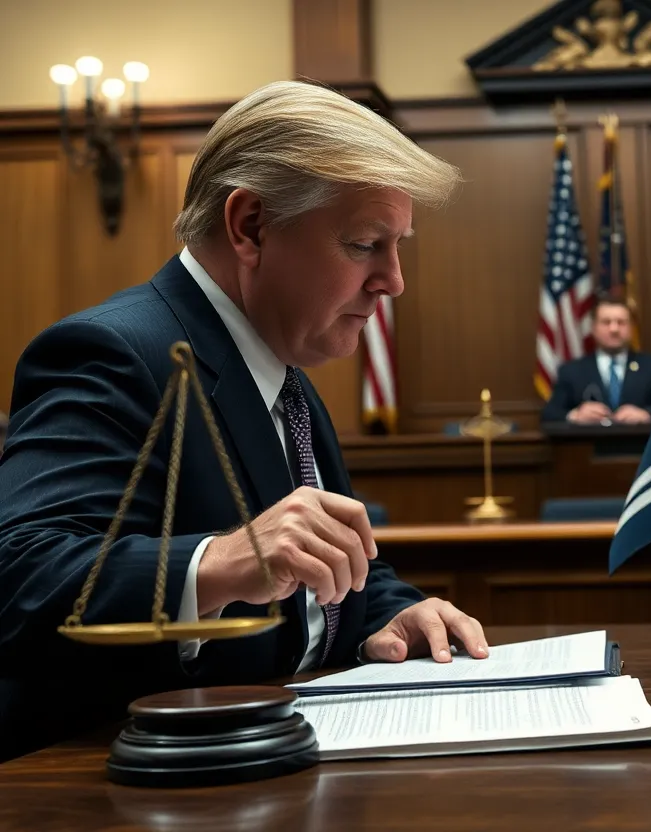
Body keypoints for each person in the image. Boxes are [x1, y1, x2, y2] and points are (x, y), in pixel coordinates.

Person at [0, 81, 488, 761]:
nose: (394, 280)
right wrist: (220, 562)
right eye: (365, 244)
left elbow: (315, 569)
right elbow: (22, 573)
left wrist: (388, 612)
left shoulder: (283, 377)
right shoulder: (113, 353)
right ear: (250, 226)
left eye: (397, 245)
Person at [540, 295, 651, 425]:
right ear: (593, 328)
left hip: (640, 443)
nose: (614, 329)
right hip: (588, 444)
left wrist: (647, 415)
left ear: (632, 328)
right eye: (606, 322)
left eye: (621, 322)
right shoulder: (571, 371)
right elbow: (550, 414)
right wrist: (575, 415)